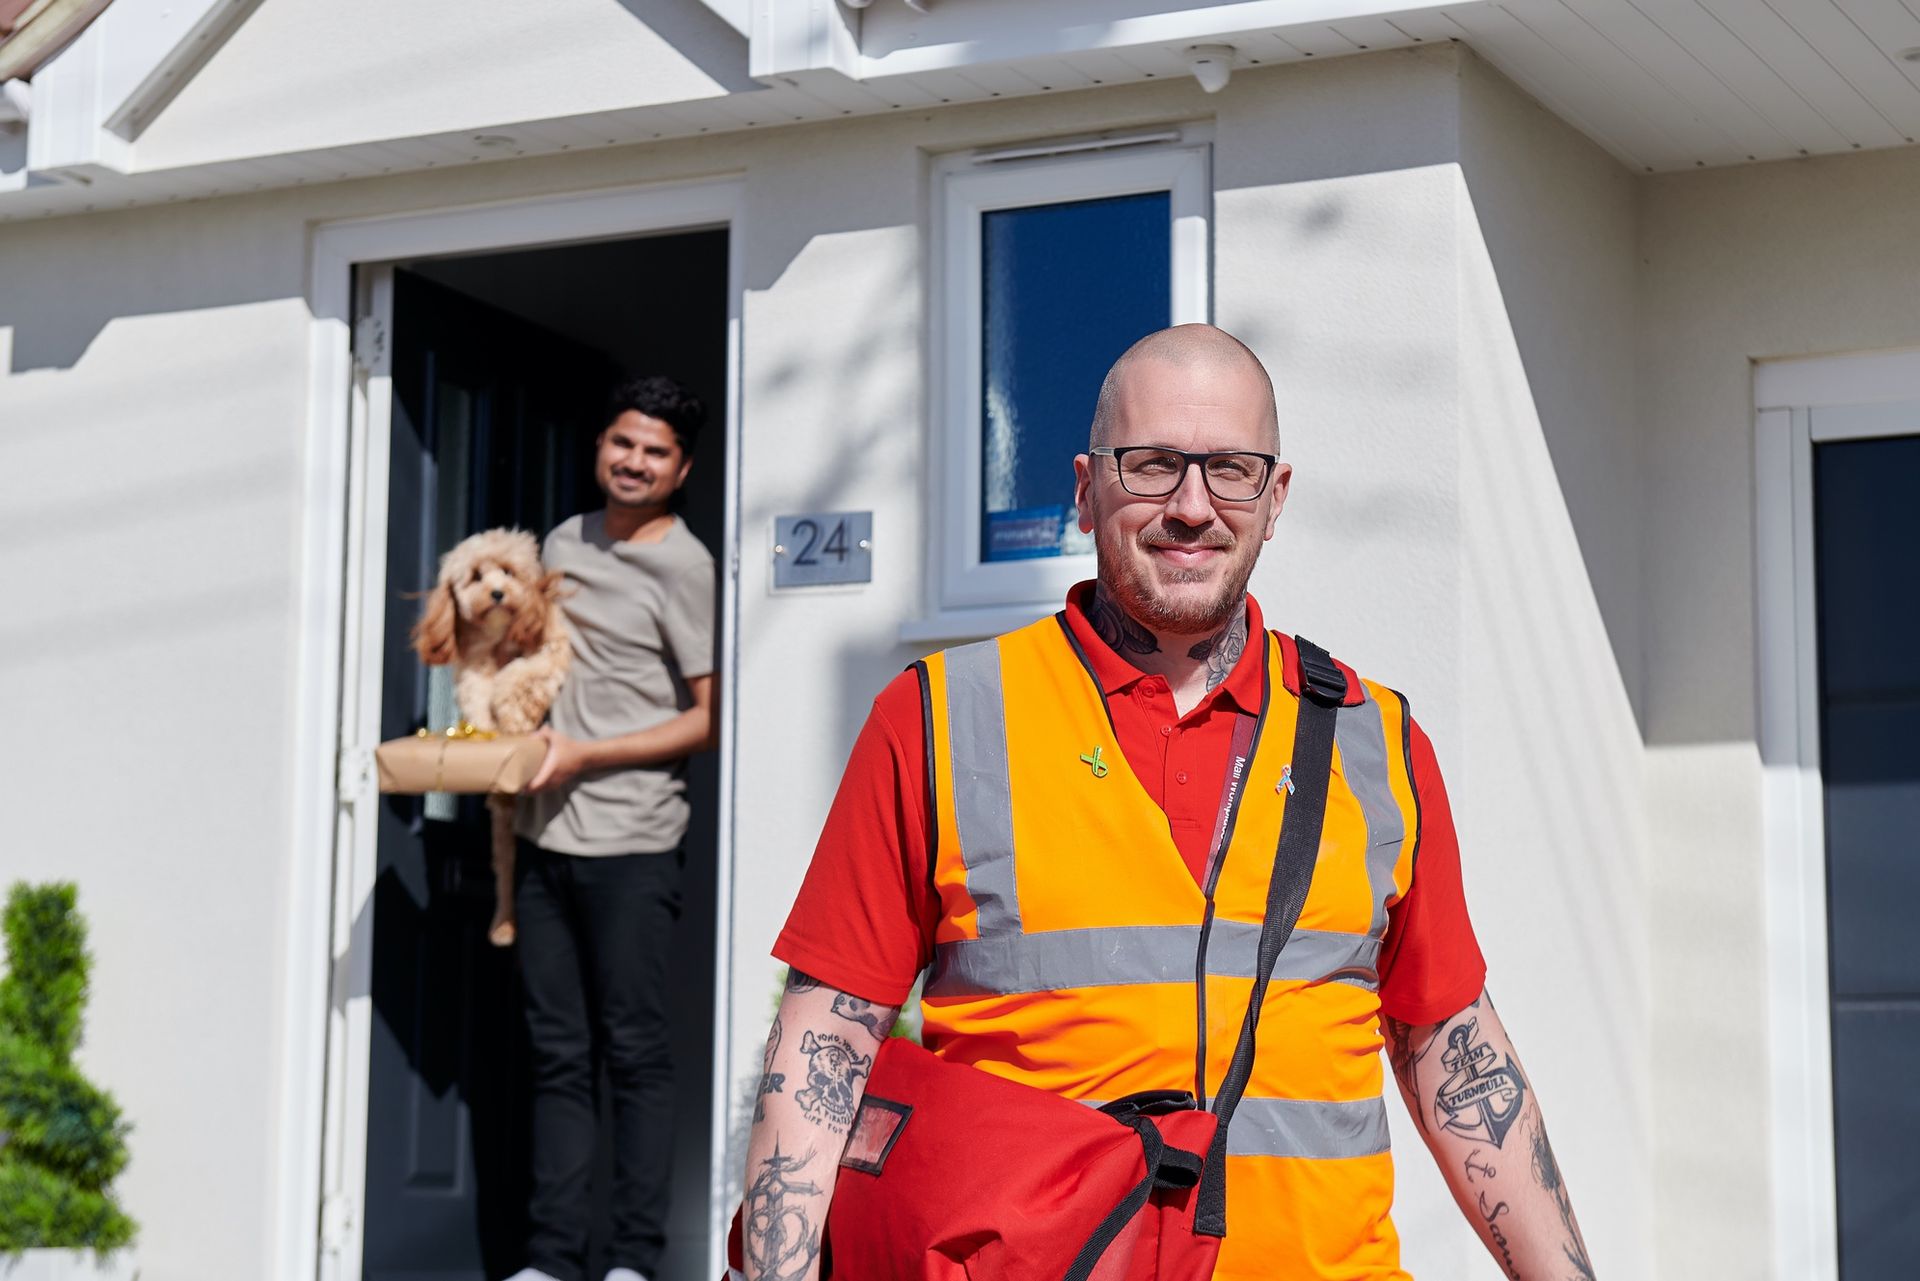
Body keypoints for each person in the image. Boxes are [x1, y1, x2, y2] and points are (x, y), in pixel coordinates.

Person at [743, 325, 1596, 1280]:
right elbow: (824, 1045)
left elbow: (1453, 1049)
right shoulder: (940, 719)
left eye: (1230, 470)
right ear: (1084, 489)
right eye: (1151, 465)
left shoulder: (1378, 740)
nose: (1192, 507)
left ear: (1275, 498)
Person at [508, 375, 718, 1281]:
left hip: (633, 841)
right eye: (623, 442)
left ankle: (633, 1259)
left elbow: (708, 718)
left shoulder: (686, 567)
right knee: (557, 1054)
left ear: (682, 469)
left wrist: (585, 755)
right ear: (601, 445)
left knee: (634, 1053)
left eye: (655, 451)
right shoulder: (563, 541)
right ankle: (551, 1259)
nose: (634, 461)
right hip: (542, 835)